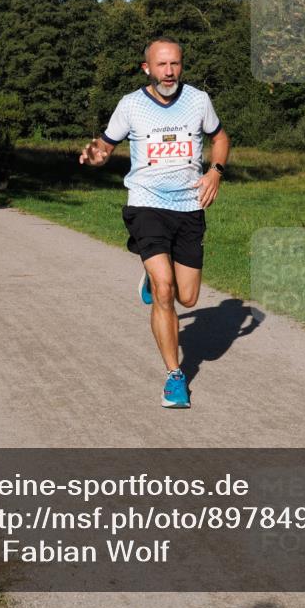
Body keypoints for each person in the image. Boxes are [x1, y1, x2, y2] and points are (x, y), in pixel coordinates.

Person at [80, 37, 230, 409]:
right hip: (146, 203)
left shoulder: (198, 100)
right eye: (161, 65)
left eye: (175, 64)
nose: (169, 72)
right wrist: (95, 156)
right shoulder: (130, 106)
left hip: (189, 206)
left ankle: (153, 273)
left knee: (188, 297)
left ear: (181, 65)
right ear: (146, 68)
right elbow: (105, 145)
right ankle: (174, 377)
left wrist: (216, 171)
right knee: (165, 292)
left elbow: (221, 137)